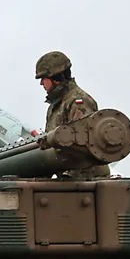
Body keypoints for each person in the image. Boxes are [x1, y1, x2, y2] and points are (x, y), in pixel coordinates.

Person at [35, 51, 108, 179]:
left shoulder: (78, 102)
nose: (41, 83)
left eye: (43, 78)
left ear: (55, 78)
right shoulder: (56, 105)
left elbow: (80, 145)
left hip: (86, 180)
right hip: (69, 180)